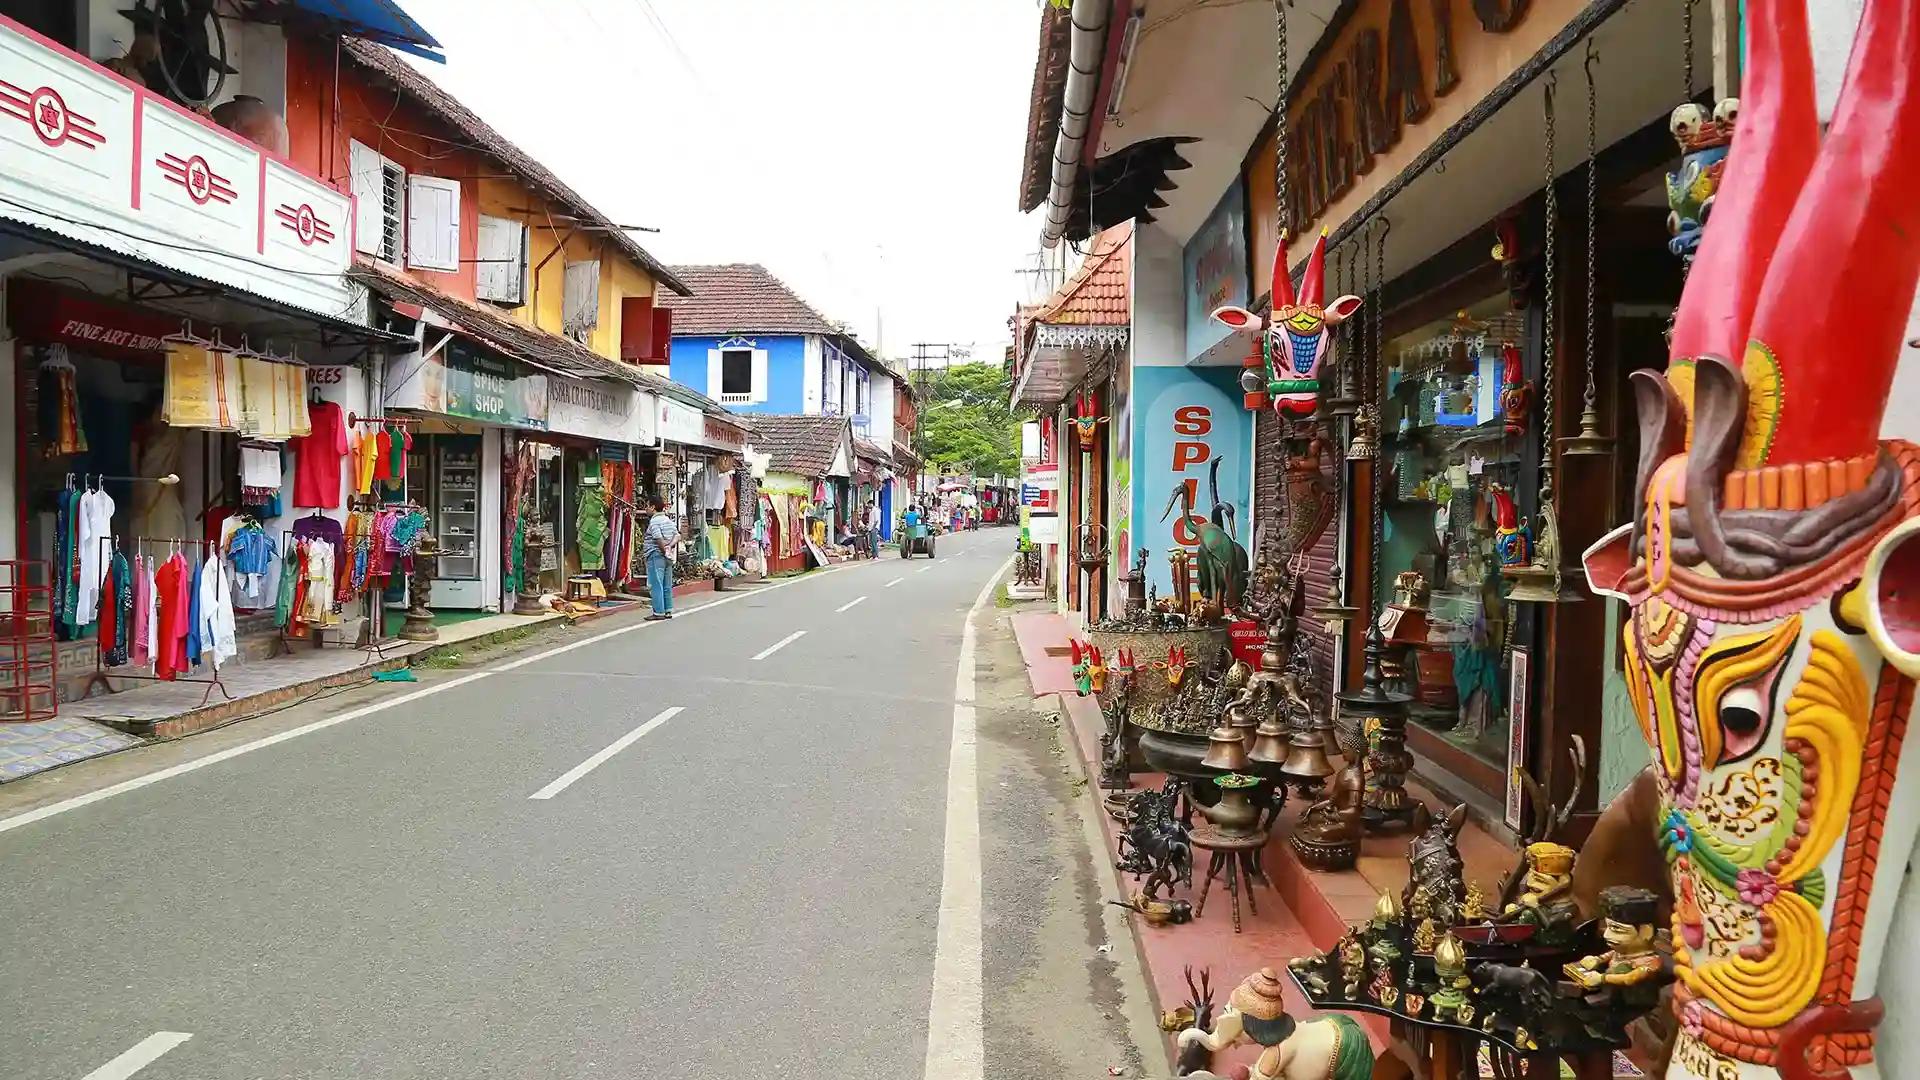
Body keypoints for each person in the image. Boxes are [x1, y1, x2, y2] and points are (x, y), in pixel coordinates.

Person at [644, 494, 679, 620]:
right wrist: (669, 548)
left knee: (656, 584)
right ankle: (668, 609)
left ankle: (658, 611)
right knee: (666, 584)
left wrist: (664, 550)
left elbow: (658, 538)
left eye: (647, 506)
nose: (646, 509)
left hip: (656, 555)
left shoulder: (654, 521)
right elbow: (677, 535)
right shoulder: (668, 520)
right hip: (667, 556)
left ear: (653, 507)